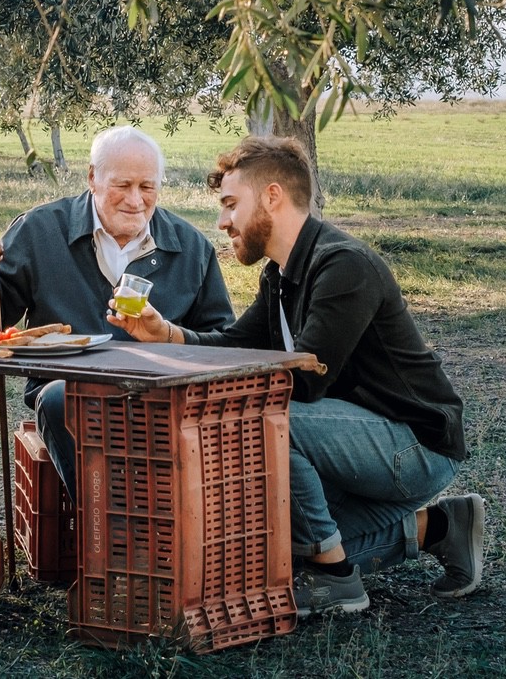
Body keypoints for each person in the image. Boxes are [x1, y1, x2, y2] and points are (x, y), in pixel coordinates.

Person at [111, 135, 484, 616]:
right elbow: (237, 344)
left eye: (231, 204)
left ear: (272, 196)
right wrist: (166, 334)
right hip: (349, 439)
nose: (222, 221)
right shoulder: (280, 274)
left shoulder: (344, 265)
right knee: (268, 556)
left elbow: (306, 381)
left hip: (415, 445)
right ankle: (443, 527)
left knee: (260, 418)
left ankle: (335, 578)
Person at [0, 124, 234, 490]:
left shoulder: (191, 247)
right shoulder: (41, 230)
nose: (135, 200)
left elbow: (223, 342)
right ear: (93, 178)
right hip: (69, 397)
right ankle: (116, 519)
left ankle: (123, 517)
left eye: (147, 187)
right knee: (61, 398)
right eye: (122, 185)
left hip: (160, 400)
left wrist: (170, 336)